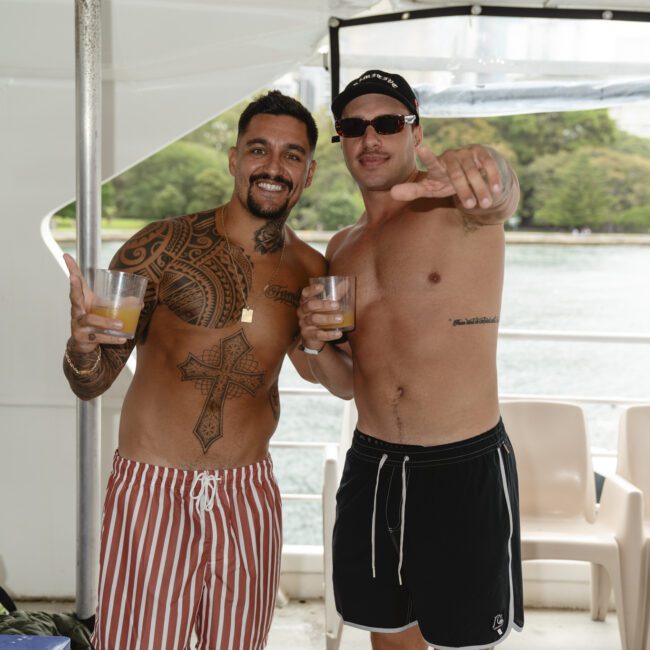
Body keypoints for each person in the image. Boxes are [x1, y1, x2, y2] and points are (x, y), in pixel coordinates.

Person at [63, 90, 328, 650]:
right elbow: (91, 382)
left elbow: (323, 373)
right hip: (153, 491)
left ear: (308, 173)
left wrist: (330, 345)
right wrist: (83, 344)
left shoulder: (311, 270)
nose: (273, 167)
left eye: (292, 155)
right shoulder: (158, 248)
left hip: (248, 495)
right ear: (235, 159)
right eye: (259, 150)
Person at [297, 70, 524, 650]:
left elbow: (498, 194)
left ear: (414, 131)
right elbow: (346, 384)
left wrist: (490, 170)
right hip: (372, 464)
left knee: (463, 641)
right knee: (389, 636)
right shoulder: (341, 248)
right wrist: (313, 344)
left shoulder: (458, 208)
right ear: (341, 141)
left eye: (388, 123)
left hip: (460, 463)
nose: (370, 138)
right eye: (353, 127)